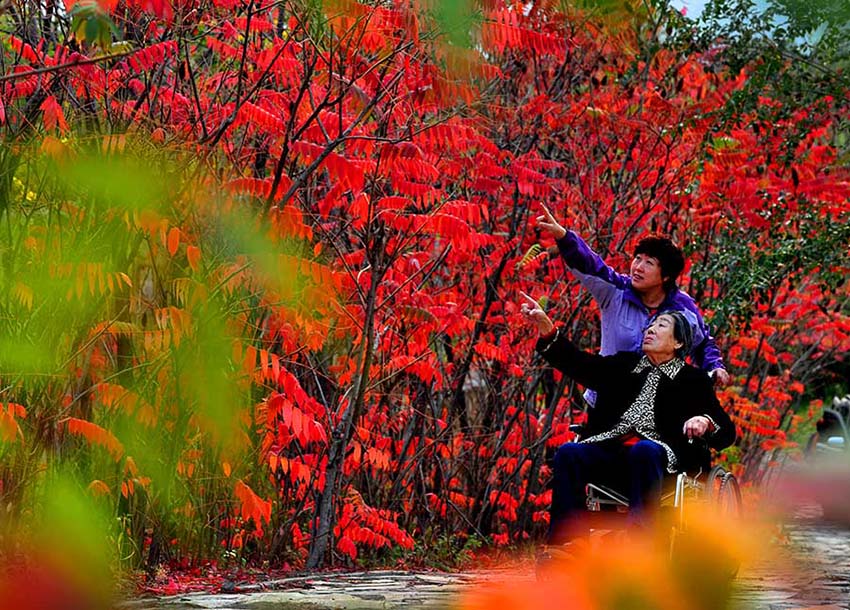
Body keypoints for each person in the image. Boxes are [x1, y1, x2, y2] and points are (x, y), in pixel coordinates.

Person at [520, 293, 735, 546]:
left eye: (661, 325)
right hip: (612, 455)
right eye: (650, 325)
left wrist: (705, 421)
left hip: (663, 465)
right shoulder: (624, 365)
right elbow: (580, 364)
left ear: (678, 342)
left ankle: (639, 545)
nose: (650, 330)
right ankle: (568, 544)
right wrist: (547, 329)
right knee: (569, 452)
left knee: (645, 450)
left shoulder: (693, 380)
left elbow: (726, 431)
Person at [535, 205, 731, 395]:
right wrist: (563, 236)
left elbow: (702, 343)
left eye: (649, 263)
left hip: (654, 406)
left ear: (666, 276)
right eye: (637, 258)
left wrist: (714, 367)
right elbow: (590, 265)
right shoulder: (615, 291)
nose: (638, 267)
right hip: (607, 399)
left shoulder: (683, 308)